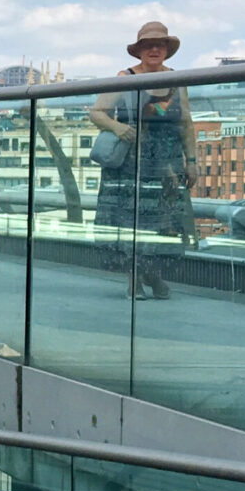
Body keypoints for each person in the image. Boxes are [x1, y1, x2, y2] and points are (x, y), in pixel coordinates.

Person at [88, 22, 197, 301]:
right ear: (138, 51)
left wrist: (192, 160)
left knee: (162, 225)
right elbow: (97, 112)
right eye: (148, 45)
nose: (154, 49)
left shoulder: (176, 81)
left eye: (159, 44)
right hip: (130, 165)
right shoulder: (124, 77)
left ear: (166, 50)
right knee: (130, 223)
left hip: (167, 167)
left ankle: (153, 275)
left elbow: (185, 123)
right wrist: (117, 127)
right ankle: (134, 280)